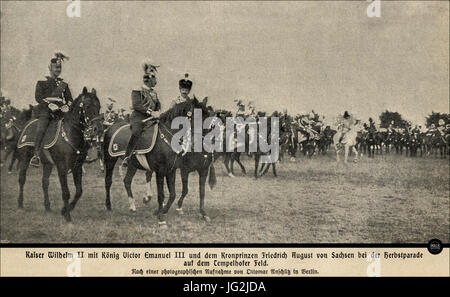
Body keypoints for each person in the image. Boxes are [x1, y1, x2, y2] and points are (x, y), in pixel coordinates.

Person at [30, 52, 73, 167]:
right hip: (46, 111)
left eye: (59, 67)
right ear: (50, 68)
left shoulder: (63, 84)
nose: (58, 70)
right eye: (56, 67)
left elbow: (69, 99)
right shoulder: (42, 82)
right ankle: (36, 155)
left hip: (61, 112)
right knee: (41, 129)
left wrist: (67, 106)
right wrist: (49, 105)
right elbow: (38, 97)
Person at [122, 59, 161, 167]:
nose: (155, 79)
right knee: (136, 132)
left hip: (152, 118)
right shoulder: (137, 90)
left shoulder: (154, 92)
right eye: (152, 76)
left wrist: (158, 112)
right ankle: (127, 156)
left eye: (154, 76)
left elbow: (157, 105)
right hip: (138, 118)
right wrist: (151, 112)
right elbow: (137, 105)